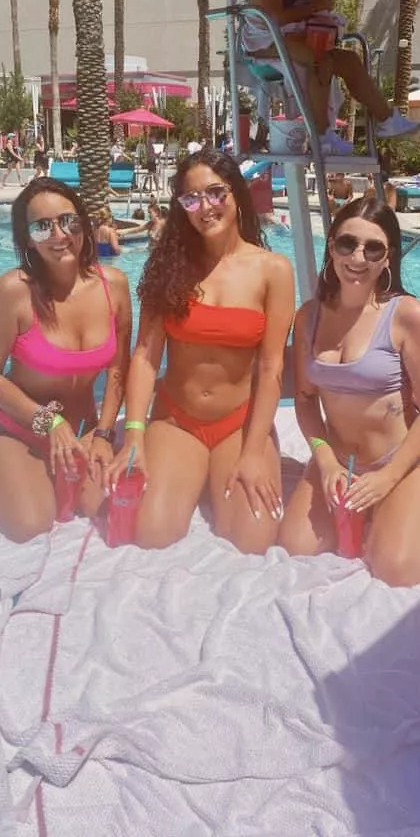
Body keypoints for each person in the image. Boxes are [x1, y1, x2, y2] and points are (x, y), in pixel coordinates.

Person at [107, 150, 295, 555]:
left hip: (239, 423)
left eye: (215, 193)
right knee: (150, 532)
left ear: (236, 193)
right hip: (177, 420)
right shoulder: (170, 266)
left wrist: (253, 451)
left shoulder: (273, 270)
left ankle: (217, 472)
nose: (205, 207)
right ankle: (196, 473)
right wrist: (134, 433)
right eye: (191, 199)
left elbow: (271, 367)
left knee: (252, 539)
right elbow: (145, 356)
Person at [278, 195, 420, 586]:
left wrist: (388, 478)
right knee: (296, 546)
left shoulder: (407, 315)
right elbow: (305, 400)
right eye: (347, 244)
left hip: (407, 463)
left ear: (388, 258)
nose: (358, 257)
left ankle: (410, 511)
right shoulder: (308, 317)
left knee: (396, 570)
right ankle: (379, 513)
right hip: (340, 464)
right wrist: (325, 460)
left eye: (373, 248)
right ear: (331, 247)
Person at [0, 178, 132, 542]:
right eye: (42, 227)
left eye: (68, 221)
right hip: (15, 428)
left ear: (84, 224)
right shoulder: (13, 291)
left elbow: (118, 369)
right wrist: (47, 420)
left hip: (83, 430)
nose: (59, 234)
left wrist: (104, 433)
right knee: (30, 526)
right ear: (28, 239)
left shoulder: (115, 286)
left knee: (104, 510)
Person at [244, 0, 420, 153]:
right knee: (320, 60)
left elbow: (313, 9)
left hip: (295, 39)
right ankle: (321, 134)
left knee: (349, 60)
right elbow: (275, 18)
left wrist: (326, 13)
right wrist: (315, 6)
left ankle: (387, 118)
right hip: (267, 43)